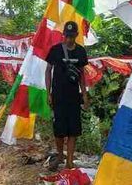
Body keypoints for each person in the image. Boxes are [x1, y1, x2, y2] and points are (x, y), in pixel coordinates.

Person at [45, 21, 89, 170]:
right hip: (58, 95)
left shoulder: (81, 52)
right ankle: (59, 156)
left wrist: (84, 94)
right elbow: (48, 71)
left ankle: (69, 161)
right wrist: (48, 92)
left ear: (76, 35)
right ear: (63, 34)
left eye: (72, 36)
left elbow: (82, 74)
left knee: (73, 130)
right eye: (67, 36)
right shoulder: (55, 50)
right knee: (59, 130)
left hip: (73, 97)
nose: (69, 39)